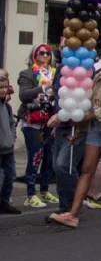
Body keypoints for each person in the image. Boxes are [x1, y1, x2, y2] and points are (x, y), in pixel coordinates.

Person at [50, 43, 101, 228]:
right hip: (95, 127)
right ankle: (73, 213)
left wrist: (89, 116)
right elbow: (90, 102)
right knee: (87, 169)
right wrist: (79, 128)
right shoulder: (98, 77)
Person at [17, 44, 57, 207]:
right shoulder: (27, 73)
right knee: (35, 156)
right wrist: (43, 87)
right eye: (41, 53)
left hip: (49, 120)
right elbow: (23, 95)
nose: (46, 56)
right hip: (32, 121)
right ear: (34, 55)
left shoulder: (55, 73)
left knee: (48, 157)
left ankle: (45, 191)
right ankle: (30, 194)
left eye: (48, 53)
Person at [0, 69, 20, 214]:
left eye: (6, 87)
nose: (4, 90)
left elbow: (12, 123)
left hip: (8, 148)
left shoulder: (7, 106)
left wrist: (12, 137)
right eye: (1, 87)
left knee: (10, 175)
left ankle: (4, 202)